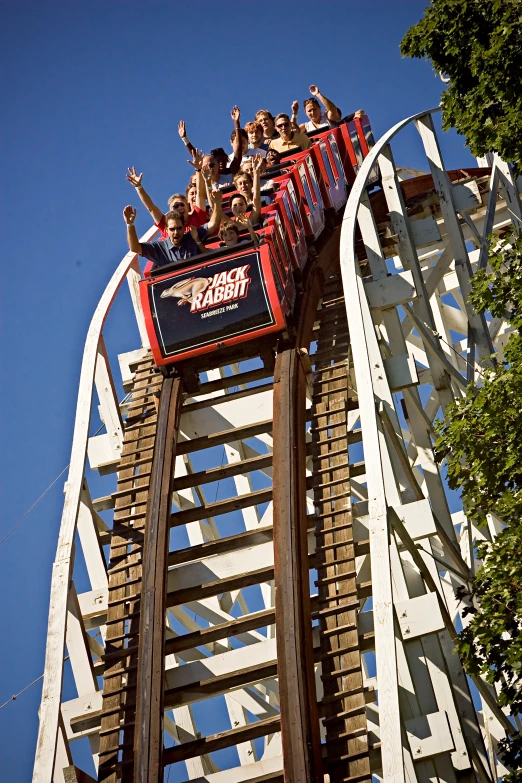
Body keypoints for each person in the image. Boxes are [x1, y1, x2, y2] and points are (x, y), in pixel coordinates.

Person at [126, 158, 220, 238]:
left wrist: (198, 170)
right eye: (175, 206)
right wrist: (139, 187)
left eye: (181, 204)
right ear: (170, 210)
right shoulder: (165, 224)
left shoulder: (197, 216)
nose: (179, 208)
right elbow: (151, 208)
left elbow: (200, 194)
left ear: (187, 206)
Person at [123, 202, 221, 270]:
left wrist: (217, 202)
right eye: (172, 229)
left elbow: (213, 224)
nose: (176, 232)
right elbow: (135, 247)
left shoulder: (191, 236)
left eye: (179, 228)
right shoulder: (160, 248)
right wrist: (130, 224)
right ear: (166, 230)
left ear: (184, 228)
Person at [178, 108, 243, 177]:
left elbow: (238, 149)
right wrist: (184, 138)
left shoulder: (232, 171)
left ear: (227, 160)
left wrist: (237, 123)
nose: (220, 163)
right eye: (218, 161)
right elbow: (198, 158)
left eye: (222, 160)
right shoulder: (210, 177)